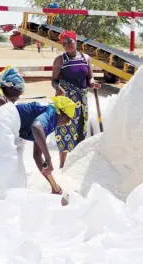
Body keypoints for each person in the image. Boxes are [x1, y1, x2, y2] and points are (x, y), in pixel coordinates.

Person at [51, 30, 99, 168]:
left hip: (82, 100)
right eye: (64, 43)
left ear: (76, 41)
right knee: (65, 130)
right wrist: (58, 88)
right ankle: (62, 165)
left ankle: (76, 164)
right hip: (67, 101)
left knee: (80, 129)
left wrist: (93, 83)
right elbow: (54, 80)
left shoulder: (86, 58)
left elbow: (89, 77)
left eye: (69, 42)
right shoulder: (60, 60)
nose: (67, 45)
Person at [16, 96, 76, 193]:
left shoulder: (51, 122)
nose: (66, 123)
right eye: (68, 120)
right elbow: (36, 127)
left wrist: (53, 184)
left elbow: (37, 155)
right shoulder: (51, 114)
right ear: (63, 115)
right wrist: (48, 158)